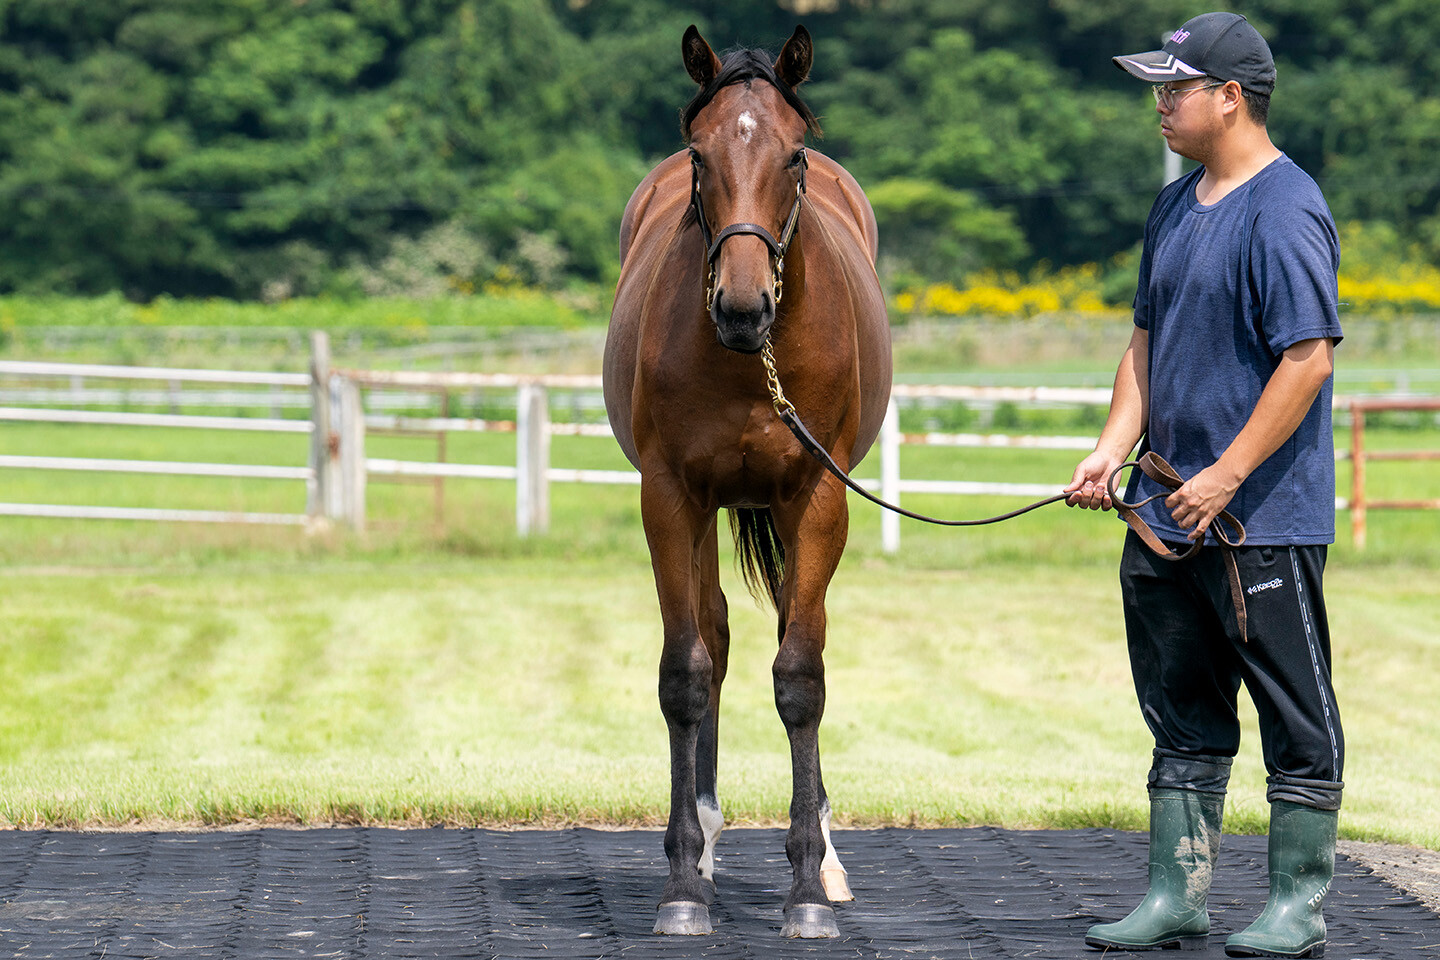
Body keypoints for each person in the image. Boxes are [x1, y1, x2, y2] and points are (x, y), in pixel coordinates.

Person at [1065, 12, 1344, 959]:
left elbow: (1306, 359)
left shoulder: (1287, 208)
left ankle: (1297, 907)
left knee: (1294, 715)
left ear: (1231, 97)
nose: (1160, 104)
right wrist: (1111, 449)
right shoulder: (1175, 205)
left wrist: (1227, 473)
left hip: (1258, 519)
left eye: (1175, 88)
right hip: (1160, 513)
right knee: (1181, 709)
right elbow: (1145, 341)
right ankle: (1174, 897)